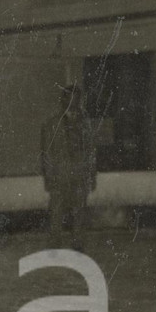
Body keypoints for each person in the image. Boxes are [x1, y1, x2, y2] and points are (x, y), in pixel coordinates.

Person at [40, 83, 97, 251]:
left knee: (79, 210)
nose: (73, 101)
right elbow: (47, 152)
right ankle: (55, 244)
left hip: (80, 173)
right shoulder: (51, 124)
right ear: (63, 100)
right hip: (60, 174)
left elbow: (91, 150)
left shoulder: (86, 123)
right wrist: (49, 176)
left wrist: (92, 175)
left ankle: (78, 244)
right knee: (56, 211)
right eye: (69, 97)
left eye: (76, 98)